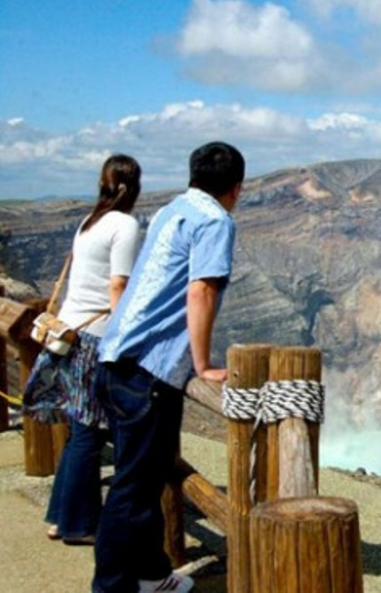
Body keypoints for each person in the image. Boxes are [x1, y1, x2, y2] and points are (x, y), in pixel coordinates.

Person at [91, 142, 244, 593]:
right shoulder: (216, 220)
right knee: (134, 491)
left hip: (117, 356)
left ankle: (153, 575)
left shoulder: (168, 210)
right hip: (150, 370)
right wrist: (202, 364)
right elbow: (201, 291)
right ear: (236, 188)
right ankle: (113, 586)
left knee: (145, 478)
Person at [30, 154, 143, 547]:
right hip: (96, 338)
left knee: (82, 429)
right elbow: (118, 287)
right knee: (89, 433)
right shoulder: (125, 225)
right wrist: (127, 339)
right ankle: (78, 525)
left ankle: (60, 517)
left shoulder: (88, 222)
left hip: (72, 332)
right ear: (135, 187)